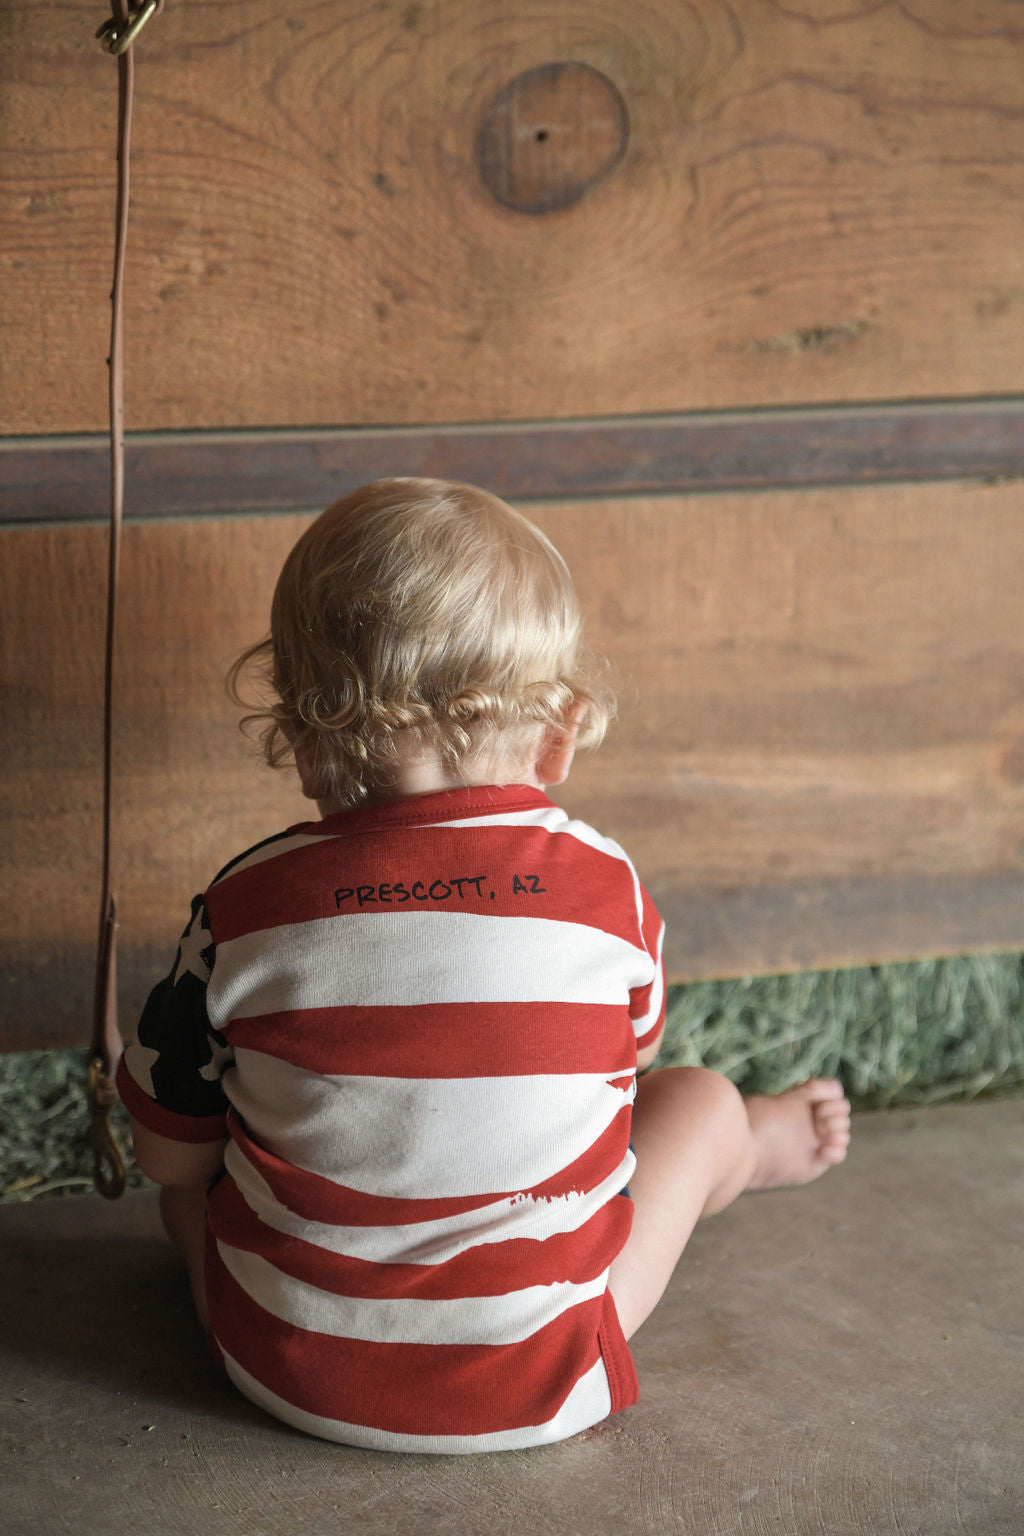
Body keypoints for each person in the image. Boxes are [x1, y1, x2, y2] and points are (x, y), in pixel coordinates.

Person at [118, 477, 851, 1454]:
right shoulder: (604, 885)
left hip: (286, 1368)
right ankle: (749, 1147)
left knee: (190, 1188)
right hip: (547, 1372)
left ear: (299, 744)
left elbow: (167, 1152)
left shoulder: (245, 905)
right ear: (556, 735)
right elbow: (619, 1081)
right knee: (698, 1100)